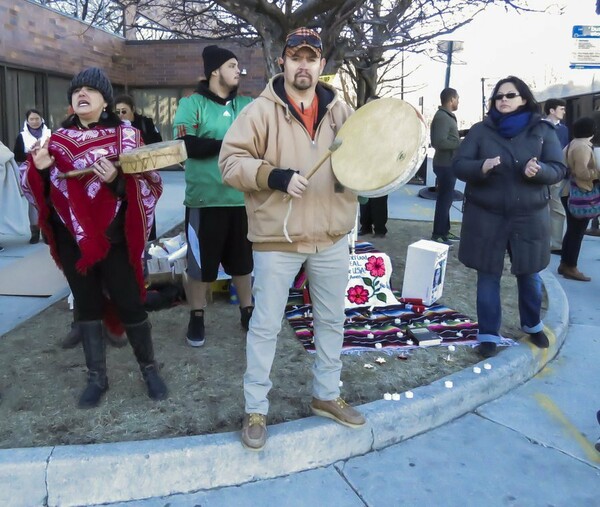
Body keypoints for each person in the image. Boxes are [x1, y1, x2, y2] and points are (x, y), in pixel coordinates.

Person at [219, 27, 366, 451]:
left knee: (331, 320)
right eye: (295, 56)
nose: (303, 65)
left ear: (322, 64)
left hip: (331, 234)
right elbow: (231, 164)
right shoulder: (259, 112)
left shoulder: (340, 110)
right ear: (282, 61)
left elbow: (364, 155)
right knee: (265, 327)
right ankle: (255, 408)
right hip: (276, 239)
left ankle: (326, 394)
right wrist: (274, 176)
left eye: (311, 57)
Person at [21, 67, 168, 408]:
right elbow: (38, 193)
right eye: (77, 90)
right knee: (86, 305)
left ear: (105, 100)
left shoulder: (128, 138)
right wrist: (40, 169)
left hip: (115, 240)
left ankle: (150, 370)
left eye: (90, 89)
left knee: (130, 304)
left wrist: (118, 179)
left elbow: (150, 184)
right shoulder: (55, 142)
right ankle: (96, 379)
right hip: (75, 241)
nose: (82, 94)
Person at [452, 76, 566, 359]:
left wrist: (538, 172)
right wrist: (482, 166)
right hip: (486, 216)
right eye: (498, 96)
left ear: (524, 99)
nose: (503, 100)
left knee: (529, 274)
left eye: (510, 95)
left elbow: (558, 169)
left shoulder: (541, 130)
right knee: (488, 276)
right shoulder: (480, 131)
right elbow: (459, 165)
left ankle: (532, 324)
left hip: (529, 217)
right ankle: (488, 334)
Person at [173, 45, 254, 347]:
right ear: (215, 70)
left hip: (241, 199)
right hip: (204, 201)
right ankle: (196, 317)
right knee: (200, 267)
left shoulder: (247, 104)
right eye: (232, 65)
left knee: (243, 263)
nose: (238, 71)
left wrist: (219, 143)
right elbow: (188, 145)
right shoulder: (191, 104)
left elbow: (258, 140)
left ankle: (248, 312)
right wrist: (233, 142)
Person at [115, 94, 163, 241]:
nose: (121, 115)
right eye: (117, 112)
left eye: (124, 111)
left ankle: (149, 243)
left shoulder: (144, 123)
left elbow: (157, 144)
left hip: (144, 175)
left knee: (146, 211)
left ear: (133, 110)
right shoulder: (112, 127)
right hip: (123, 178)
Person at [558, 116, 599, 281]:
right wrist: (596, 174)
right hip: (580, 193)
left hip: (569, 192)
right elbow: (582, 172)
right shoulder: (582, 146)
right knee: (577, 232)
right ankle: (571, 267)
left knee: (573, 231)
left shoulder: (574, 143)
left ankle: (565, 263)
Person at [13, 109, 51, 244]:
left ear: (41, 119)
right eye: (32, 119)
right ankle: (35, 231)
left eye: (37, 118)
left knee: (47, 199)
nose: (35, 122)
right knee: (32, 201)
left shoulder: (49, 133)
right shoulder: (22, 136)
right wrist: (31, 155)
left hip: (47, 171)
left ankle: (47, 232)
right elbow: (17, 155)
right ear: (27, 121)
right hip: (29, 173)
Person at [430, 87, 461, 245]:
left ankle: (444, 231)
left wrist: (461, 134)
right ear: (451, 100)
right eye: (457, 99)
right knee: (444, 200)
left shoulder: (447, 116)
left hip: (448, 163)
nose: (458, 102)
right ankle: (438, 234)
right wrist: (459, 143)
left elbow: (448, 136)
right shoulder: (442, 117)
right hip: (445, 165)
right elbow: (439, 142)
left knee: (447, 199)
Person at [358, 95, 388, 238]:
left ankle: (380, 228)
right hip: (365, 165)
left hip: (380, 166)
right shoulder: (361, 122)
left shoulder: (384, 124)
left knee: (379, 199)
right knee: (364, 199)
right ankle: (365, 226)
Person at [543, 98, 569, 254]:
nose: (564, 111)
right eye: (561, 108)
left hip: (557, 174)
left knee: (557, 209)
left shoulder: (564, 130)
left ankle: (556, 244)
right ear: (551, 110)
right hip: (541, 171)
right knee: (539, 208)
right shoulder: (539, 127)